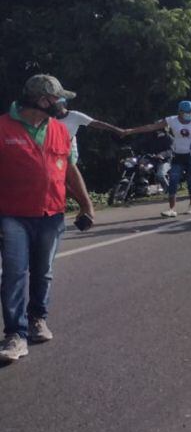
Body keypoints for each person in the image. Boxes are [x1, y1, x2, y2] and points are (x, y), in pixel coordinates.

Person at [0, 75, 95, 363]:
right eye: (57, 98)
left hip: (51, 214)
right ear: (42, 100)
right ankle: (15, 334)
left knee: (43, 272)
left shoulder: (60, 130)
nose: (61, 103)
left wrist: (86, 204)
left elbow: (69, 170)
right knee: (14, 273)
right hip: (13, 215)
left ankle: (37, 319)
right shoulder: (3, 127)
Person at [125, 100, 191, 217]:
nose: (190, 114)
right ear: (180, 112)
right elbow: (151, 127)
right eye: (187, 112)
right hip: (179, 155)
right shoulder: (172, 120)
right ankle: (171, 209)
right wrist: (129, 131)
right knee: (173, 179)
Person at [55, 103, 124, 164]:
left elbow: (96, 123)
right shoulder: (52, 118)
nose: (57, 111)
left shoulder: (75, 116)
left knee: (71, 168)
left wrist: (117, 130)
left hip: (70, 148)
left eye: (58, 108)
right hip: (55, 149)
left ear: (63, 105)